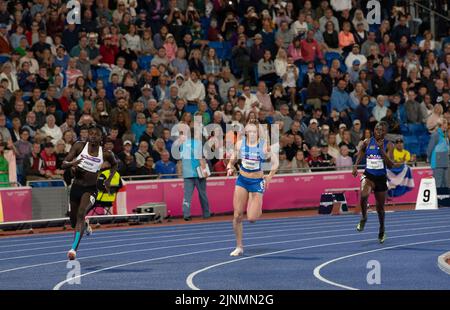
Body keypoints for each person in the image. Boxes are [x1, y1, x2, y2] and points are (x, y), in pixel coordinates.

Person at [61, 126, 118, 260]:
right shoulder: (79, 146)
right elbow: (63, 164)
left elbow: (115, 165)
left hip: (91, 189)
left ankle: (73, 249)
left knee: (81, 213)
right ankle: (85, 226)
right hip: (76, 188)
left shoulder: (105, 153)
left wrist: (108, 180)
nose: (92, 136)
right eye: (90, 133)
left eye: (96, 134)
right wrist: (72, 163)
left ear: (100, 138)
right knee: (74, 222)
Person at [226, 120, 279, 256]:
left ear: (258, 132)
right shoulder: (240, 144)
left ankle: (257, 205)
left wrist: (269, 177)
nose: (252, 134)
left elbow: (275, 163)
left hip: (256, 182)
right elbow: (233, 159)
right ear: (246, 133)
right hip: (242, 180)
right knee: (237, 215)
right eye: (249, 131)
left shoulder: (263, 147)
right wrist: (229, 167)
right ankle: (239, 246)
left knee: (252, 218)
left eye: (254, 131)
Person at [352, 122, 398, 244]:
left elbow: (391, 165)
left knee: (380, 209)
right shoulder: (367, 142)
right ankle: (364, 217)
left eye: (381, 129)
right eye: (376, 129)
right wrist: (356, 165)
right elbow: (361, 151)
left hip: (381, 178)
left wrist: (381, 151)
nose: (378, 131)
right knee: (363, 195)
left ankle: (382, 229)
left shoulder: (389, 145)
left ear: (385, 132)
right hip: (369, 176)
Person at [179, 127, 211, 221]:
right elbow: (200, 158)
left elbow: (181, 158)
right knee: (202, 194)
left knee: (187, 196)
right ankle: (206, 213)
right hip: (198, 172)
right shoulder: (198, 143)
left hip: (187, 173)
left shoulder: (182, 144)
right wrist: (205, 171)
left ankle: (186, 214)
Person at [426, 119, 449, 189]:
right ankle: (437, 199)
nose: (447, 126)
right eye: (446, 124)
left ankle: (444, 199)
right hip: (437, 163)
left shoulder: (445, 136)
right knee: (438, 184)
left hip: (445, 162)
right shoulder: (435, 135)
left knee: (445, 184)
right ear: (441, 125)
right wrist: (430, 160)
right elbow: (429, 149)